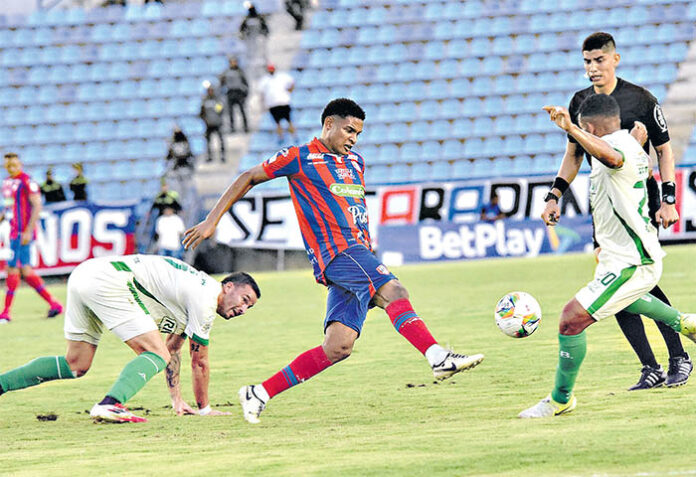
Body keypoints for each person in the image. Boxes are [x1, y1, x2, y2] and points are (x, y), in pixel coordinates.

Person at [184, 98, 485, 424]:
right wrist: (212, 221)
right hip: (337, 253)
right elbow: (248, 176)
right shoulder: (299, 157)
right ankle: (437, 356)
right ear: (329, 124)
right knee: (394, 291)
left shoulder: (356, 162)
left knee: (338, 346)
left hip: (359, 254)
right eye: (349, 130)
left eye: (358, 133)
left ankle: (259, 393)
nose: (353, 139)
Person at [518, 95, 696, 419]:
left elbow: (613, 158)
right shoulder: (629, 143)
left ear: (589, 128)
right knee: (625, 301)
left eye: (581, 130)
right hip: (619, 254)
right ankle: (684, 323)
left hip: (633, 261)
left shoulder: (617, 148)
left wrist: (570, 128)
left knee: (570, 320)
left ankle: (560, 399)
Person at [561, 32, 691, 389]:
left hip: (638, 199)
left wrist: (669, 199)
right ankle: (650, 367)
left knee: (635, 278)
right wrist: (555, 194)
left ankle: (678, 356)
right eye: (587, 61)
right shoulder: (580, 102)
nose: (592, 68)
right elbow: (573, 154)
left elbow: (664, 150)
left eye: (599, 60)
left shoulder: (641, 99)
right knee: (613, 278)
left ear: (614, 59)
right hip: (603, 203)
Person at [0, 254, 261, 423]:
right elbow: (199, 362)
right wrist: (205, 409)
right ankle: (110, 404)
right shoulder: (206, 300)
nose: (243, 309)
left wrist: (177, 400)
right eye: (244, 299)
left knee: (76, 364)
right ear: (228, 287)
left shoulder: (195, 292)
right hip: (109, 281)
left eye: (249, 307)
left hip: (84, 274)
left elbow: (172, 349)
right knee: (155, 354)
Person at [1, 153, 63, 323]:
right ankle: (54, 304)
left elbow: (37, 205)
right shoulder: (7, 183)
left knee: (13, 269)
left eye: (14, 165)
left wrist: (29, 230)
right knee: (26, 271)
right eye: (8, 165)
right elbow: (8, 207)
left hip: (23, 232)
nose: (11, 168)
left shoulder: (27, 181)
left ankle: (5, 313)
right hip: (13, 231)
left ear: (20, 165)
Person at [258, 64, 297, 145]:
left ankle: (294, 137)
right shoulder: (265, 80)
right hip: (273, 104)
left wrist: (289, 91)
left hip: (283, 102)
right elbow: (261, 93)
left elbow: (292, 82)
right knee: (278, 124)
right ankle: (281, 138)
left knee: (289, 121)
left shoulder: (282, 76)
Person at [219, 57, 250, 134]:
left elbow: (245, 83)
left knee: (242, 111)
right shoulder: (226, 72)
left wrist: (245, 93)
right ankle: (232, 127)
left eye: (235, 62)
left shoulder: (240, 71)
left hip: (239, 93)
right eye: (232, 62)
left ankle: (245, 126)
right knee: (231, 112)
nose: (233, 63)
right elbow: (221, 82)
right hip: (230, 93)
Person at [239, 2, 269, 79]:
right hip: (250, 41)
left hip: (258, 40)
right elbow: (242, 30)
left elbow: (265, 30)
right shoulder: (246, 19)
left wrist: (262, 36)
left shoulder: (260, 18)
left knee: (260, 56)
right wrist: (245, 36)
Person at [199, 85, 226, 162]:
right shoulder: (204, 101)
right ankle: (209, 156)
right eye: (209, 91)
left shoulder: (217, 100)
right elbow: (201, 113)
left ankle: (222, 156)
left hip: (217, 123)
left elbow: (221, 111)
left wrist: (219, 119)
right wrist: (205, 120)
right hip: (208, 124)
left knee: (221, 140)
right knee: (208, 141)